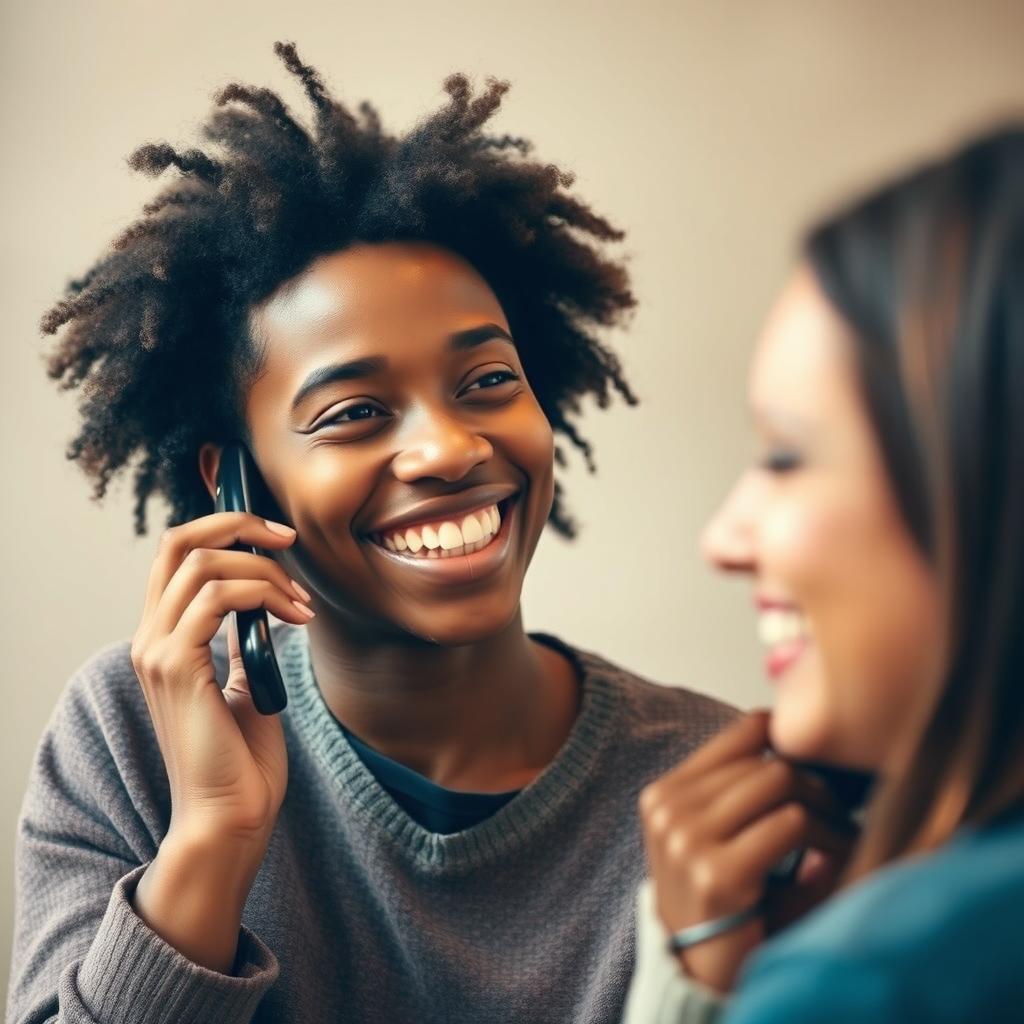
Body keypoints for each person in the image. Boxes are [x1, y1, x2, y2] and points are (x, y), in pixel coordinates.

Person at [6, 42, 734, 1024]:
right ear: (237, 479)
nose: (446, 447)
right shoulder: (128, 741)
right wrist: (212, 847)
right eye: (353, 412)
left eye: (486, 383)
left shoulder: (713, 785)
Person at [623, 126, 1024, 1022]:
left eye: (787, 456)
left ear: (990, 478)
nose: (724, 539)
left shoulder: (874, 980)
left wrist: (692, 991)